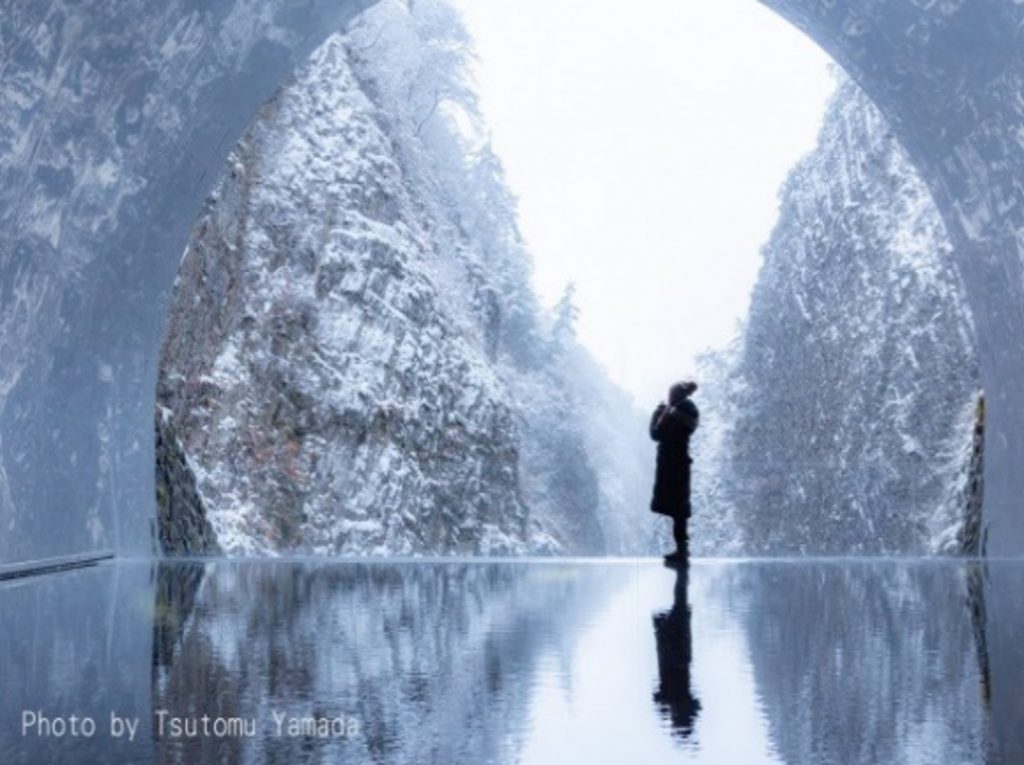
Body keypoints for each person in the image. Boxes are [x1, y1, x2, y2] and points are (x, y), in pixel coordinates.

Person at [649, 381, 699, 562]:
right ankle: (681, 548)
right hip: (677, 463)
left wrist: (658, 412)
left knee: (678, 508)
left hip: (673, 464)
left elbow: (656, 434)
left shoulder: (675, 412)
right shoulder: (687, 410)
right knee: (679, 508)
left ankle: (682, 550)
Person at [652, 562, 701, 740]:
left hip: (676, 656)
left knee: (680, 604)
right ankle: (681, 572)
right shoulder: (670, 703)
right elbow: (657, 696)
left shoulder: (673, 704)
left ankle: (681, 572)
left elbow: (696, 704)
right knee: (680, 604)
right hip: (674, 656)